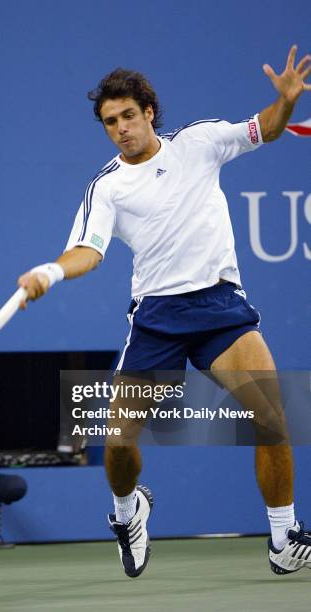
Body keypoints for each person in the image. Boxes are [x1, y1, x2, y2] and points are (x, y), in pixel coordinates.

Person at [18, 45, 311, 578]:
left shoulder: (197, 143)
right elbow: (89, 249)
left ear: (149, 112)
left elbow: (263, 129)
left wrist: (285, 102)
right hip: (158, 319)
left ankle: (283, 538)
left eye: (128, 116)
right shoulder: (107, 187)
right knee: (119, 445)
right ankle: (130, 513)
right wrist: (51, 271)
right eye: (110, 122)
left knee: (272, 419)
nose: (121, 129)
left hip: (221, 306)